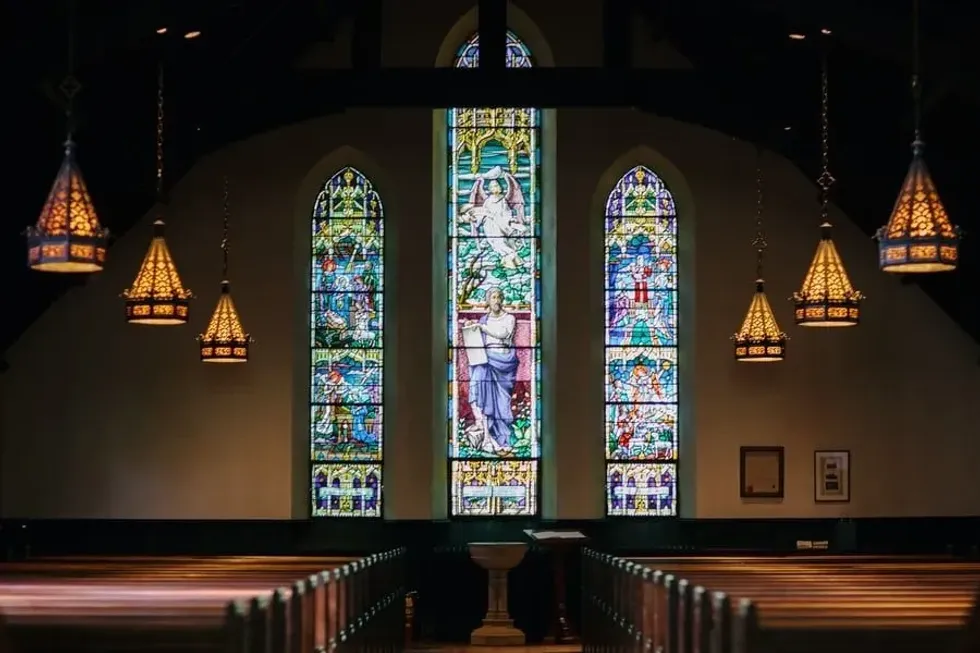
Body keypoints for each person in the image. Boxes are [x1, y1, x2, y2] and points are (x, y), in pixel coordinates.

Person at [464, 287, 519, 453]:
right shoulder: (484, 319)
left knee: (502, 403)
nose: (496, 300)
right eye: (493, 297)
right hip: (486, 361)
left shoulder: (509, 318)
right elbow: (477, 338)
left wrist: (482, 327)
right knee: (480, 392)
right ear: (488, 301)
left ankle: (503, 438)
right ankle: (488, 437)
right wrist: (471, 327)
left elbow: (504, 334)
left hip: (504, 364)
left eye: (498, 297)